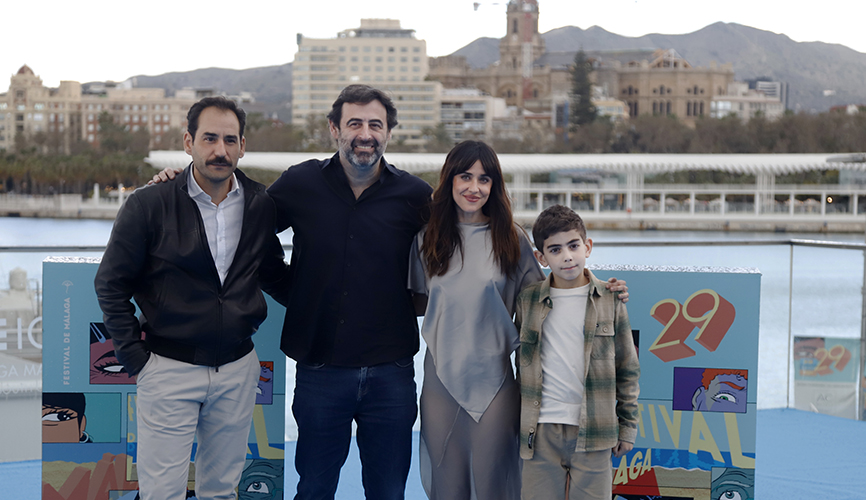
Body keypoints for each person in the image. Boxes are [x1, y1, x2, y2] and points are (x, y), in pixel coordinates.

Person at [408, 142, 629, 499]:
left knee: (493, 481)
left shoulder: (511, 238)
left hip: (495, 382)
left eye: (484, 179)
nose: (474, 187)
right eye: (465, 177)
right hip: (439, 383)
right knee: (447, 482)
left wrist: (603, 289)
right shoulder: (426, 239)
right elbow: (418, 303)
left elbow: (549, 296)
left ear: (494, 185)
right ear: (450, 180)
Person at [95, 96, 289, 500]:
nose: (220, 150)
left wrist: (332, 301)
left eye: (230, 140)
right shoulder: (149, 204)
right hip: (168, 368)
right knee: (161, 493)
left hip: (237, 369)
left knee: (221, 492)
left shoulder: (260, 204)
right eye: (209, 138)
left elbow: (272, 273)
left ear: (242, 146)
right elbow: (111, 283)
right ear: (189, 142)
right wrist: (136, 359)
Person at [267, 85, 432, 500]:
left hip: (391, 373)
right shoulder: (300, 183)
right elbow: (249, 230)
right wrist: (294, 292)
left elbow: (458, 248)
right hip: (320, 369)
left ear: (388, 133)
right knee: (314, 489)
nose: (365, 134)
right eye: (354, 123)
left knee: (388, 491)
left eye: (375, 125)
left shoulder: (415, 196)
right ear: (334, 129)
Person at [514, 204, 640, 500]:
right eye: (555, 250)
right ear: (541, 258)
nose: (567, 256)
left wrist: (627, 427)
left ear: (588, 246)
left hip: (595, 431)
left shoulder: (610, 299)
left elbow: (628, 369)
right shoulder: (528, 300)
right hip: (540, 431)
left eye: (573, 246)